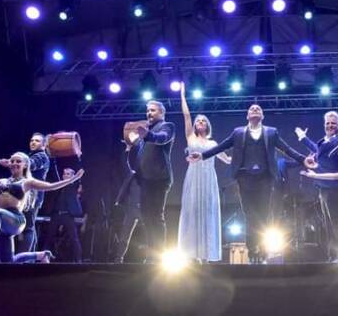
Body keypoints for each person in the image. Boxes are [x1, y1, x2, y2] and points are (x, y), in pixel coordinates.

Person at [188, 104, 316, 263]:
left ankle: (261, 249)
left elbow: (286, 149)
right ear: (247, 116)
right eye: (251, 109)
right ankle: (253, 248)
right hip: (245, 178)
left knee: (263, 214)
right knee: (249, 213)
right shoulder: (238, 132)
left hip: (265, 178)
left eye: (258, 109)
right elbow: (221, 147)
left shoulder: (271, 132)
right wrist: (202, 156)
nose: (255, 110)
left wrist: (303, 160)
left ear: (262, 116)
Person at [0, 152, 83, 263]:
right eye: (12, 161)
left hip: (15, 220)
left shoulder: (27, 182)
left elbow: (51, 186)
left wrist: (73, 179)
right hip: (0, 225)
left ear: (25, 165)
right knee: (8, 262)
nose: (14, 163)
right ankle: (40, 255)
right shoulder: (2, 181)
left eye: (18, 161)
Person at [177, 82, 231, 262]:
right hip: (194, 178)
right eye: (198, 120)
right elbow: (186, 116)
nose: (199, 122)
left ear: (207, 125)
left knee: (208, 212)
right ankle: (192, 254)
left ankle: (206, 254)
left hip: (208, 179)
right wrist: (182, 95)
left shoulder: (213, 144)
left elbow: (227, 159)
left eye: (203, 120)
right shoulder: (190, 138)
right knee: (192, 211)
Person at [295, 111, 338, 261]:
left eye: (333, 123)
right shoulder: (322, 142)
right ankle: (333, 257)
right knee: (329, 224)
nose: (330, 125)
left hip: (334, 188)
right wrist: (304, 139)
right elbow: (318, 152)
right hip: (323, 188)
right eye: (328, 123)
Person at [126, 100, 176, 260]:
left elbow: (162, 138)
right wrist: (130, 147)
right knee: (146, 217)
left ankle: (159, 256)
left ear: (161, 112)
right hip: (145, 180)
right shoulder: (146, 133)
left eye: (153, 110)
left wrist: (147, 134)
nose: (149, 113)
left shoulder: (167, 126)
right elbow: (138, 158)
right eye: (147, 110)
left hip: (159, 178)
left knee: (155, 216)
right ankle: (151, 255)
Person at [0, 132, 50, 253]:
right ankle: (31, 258)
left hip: (32, 197)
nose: (33, 142)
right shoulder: (32, 155)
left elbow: (31, 165)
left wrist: (11, 162)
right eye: (32, 140)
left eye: (37, 141)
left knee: (28, 228)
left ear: (43, 145)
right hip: (27, 195)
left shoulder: (41, 156)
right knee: (29, 227)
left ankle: (22, 260)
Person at [42, 168, 83, 262]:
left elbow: (77, 180)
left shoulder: (74, 185)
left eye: (68, 174)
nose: (65, 175)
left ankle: (78, 260)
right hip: (56, 215)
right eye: (64, 174)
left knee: (74, 239)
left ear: (73, 176)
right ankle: (44, 258)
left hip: (68, 215)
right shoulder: (59, 185)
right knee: (49, 237)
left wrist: (76, 177)